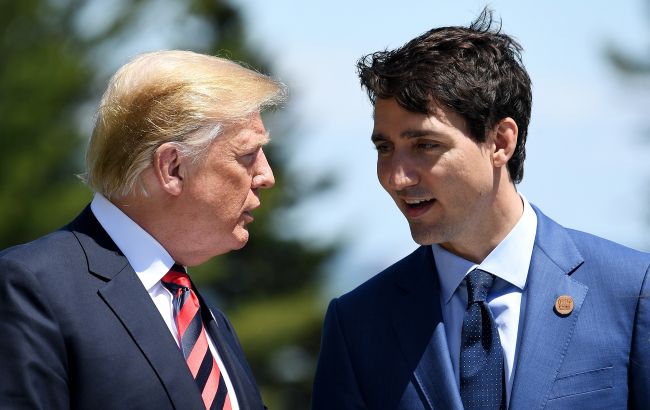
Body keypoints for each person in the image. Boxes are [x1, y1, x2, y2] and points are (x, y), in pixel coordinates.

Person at [312, 9, 650, 410]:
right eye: (385, 148)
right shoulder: (357, 323)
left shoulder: (632, 291)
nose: (396, 177)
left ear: (501, 142)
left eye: (425, 145)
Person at [0, 50, 285, 409]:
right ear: (172, 168)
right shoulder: (30, 287)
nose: (266, 176)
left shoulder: (204, 317)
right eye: (247, 155)